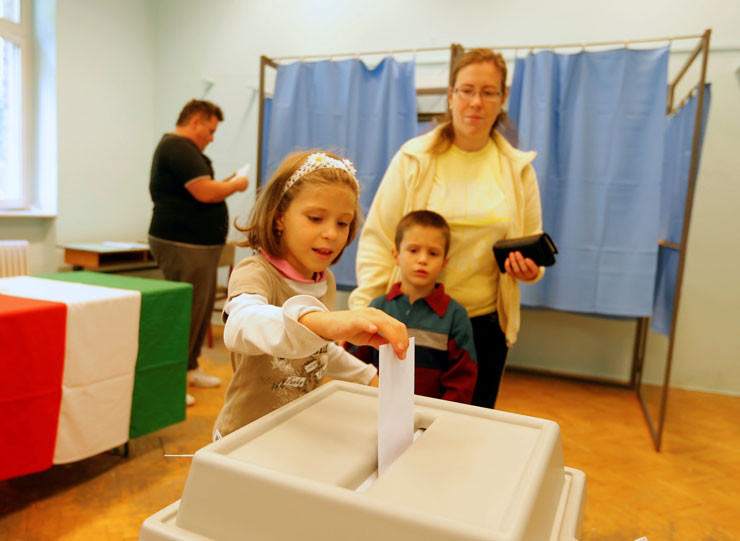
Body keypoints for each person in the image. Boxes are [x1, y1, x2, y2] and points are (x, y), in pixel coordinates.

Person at [349, 49, 544, 409]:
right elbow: (379, 239)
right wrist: (365, 309)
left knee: (471, 423)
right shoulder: (414, 159)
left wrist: (529, 270)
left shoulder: (518, 169)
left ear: (503, 98)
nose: (476, 102)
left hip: (484, 324)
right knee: (397, 417)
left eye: (488, 92)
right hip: (412, 317)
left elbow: (530, 245)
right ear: (451, 95)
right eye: (467, 90)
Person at [214, 151, 409, 437]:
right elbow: (241, 324)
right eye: (316, 218)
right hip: (245, 435)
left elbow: (316, 351)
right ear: (279, 218)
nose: (331, 233)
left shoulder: (325, 280)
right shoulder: (255, 272)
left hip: (295, 429)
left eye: (342, 223)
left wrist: (368, 376)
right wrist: (320, 322)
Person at [148, 99, 249, 407]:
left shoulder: (183, 150)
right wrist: (236, 185)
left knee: (199, 312)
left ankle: (189, 368)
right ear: (195, 121)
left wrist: (224, 184)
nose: (212, 137)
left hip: (196, 245)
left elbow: (203, 188)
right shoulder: (177, 147)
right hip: (183, 242)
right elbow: (204, 192)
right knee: (185, 313)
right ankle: (171, 380)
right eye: (210, 130)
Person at [348, 210, 477, 404]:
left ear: (444, 262)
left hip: (431, 416)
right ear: (396, 255)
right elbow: (356, 364)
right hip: (376, 408)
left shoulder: (455, 315)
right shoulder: (378, 307)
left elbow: (462, 380)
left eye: (433, 253)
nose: (422, 259)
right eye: (413, 250)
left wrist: (442, 415)